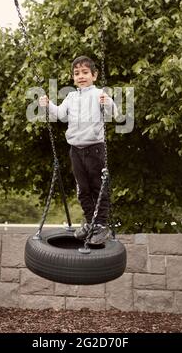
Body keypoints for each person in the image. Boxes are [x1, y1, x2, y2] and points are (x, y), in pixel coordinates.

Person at [39, 55, 117, 245]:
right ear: (73, 78)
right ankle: (91, 222)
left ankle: (101, 225)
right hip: (75, 149)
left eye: (85, 72)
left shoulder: (100, 94)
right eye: (77, 73)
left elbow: (114, 113)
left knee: (98, 187)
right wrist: (48, 105)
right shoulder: (71, 97)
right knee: (82, 189)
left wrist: (107, 103)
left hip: (94, 149)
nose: (81, 76)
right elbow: (59, 114)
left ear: (94, 75)